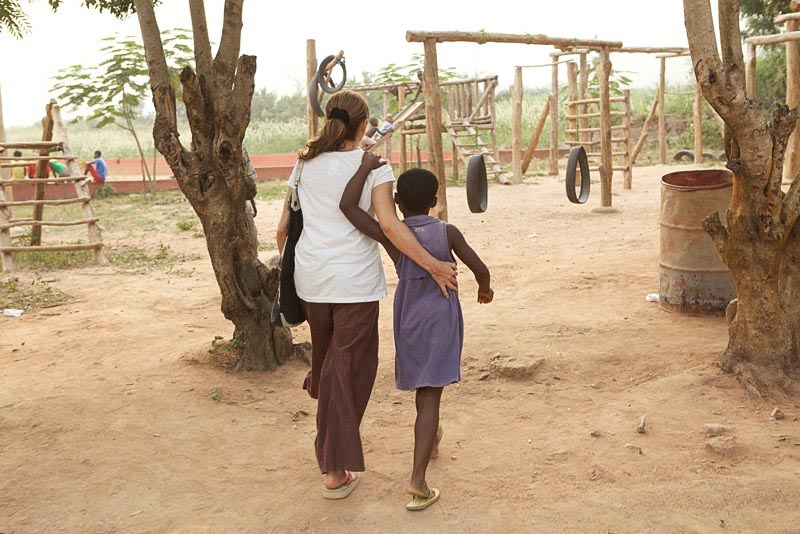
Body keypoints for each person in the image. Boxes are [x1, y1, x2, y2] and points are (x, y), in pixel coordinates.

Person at [275, 90, 457, 501]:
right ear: (362, 125)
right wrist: (431, 264)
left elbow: (283, 228)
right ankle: (334, 470)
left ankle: (331, 452)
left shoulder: (303, 164)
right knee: (349, 372)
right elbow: (391, 226)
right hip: (352, 283)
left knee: (329, 368)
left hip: (311, 282)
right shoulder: (373, 166)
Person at [340, 156, 493, 511]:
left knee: (425, 392)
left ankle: (432, 436)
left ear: (397, 203)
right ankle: (418, 481)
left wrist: (364, 169)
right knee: (430, 396)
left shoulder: (395, 236)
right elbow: (480, 269)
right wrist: (484, 289)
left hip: (408, 321)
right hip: (440, 321)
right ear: (435, 200)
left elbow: (349, 208)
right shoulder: (447, 231)